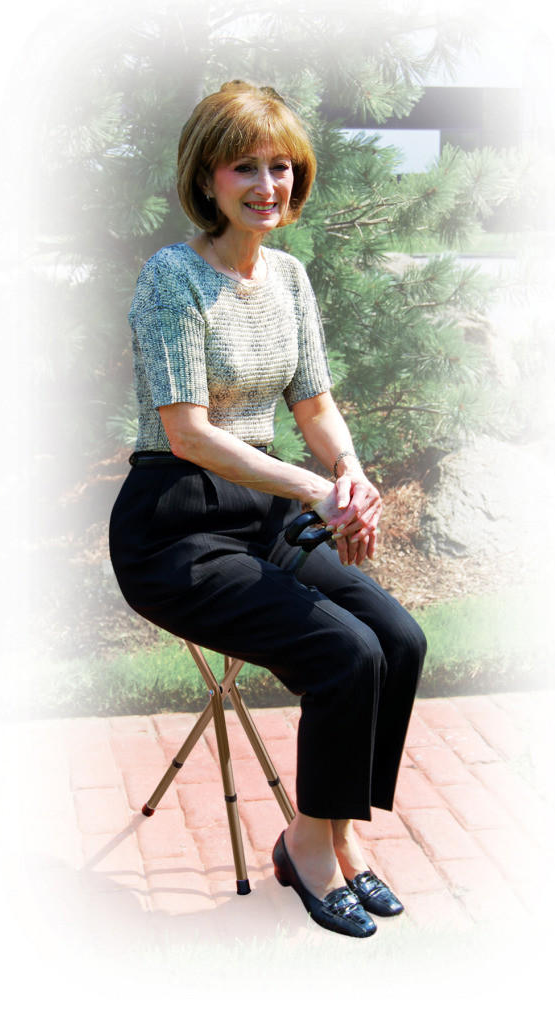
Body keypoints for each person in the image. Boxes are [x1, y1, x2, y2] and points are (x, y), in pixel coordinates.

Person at [109, 81, 427, 938]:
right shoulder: (170, 279)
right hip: (175, 528)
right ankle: (313, 854)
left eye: (281, 166)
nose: (267, 184)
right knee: (343, 652)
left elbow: (313, 405)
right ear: (205, 177)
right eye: (244, 166)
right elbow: (190, 438)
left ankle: (329, 833)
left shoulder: (287, 275)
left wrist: (351, 473)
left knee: (398, 640)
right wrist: (317, 491)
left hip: (261, 515)